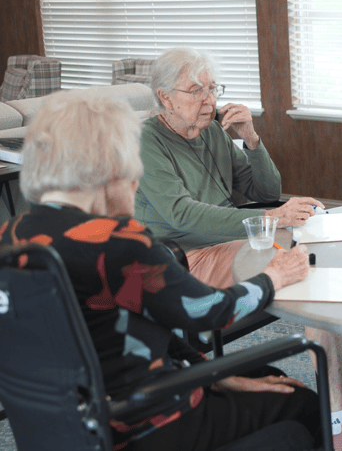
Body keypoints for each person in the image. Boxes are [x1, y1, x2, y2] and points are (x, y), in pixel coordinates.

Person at [134, 47, 342, 451]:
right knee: (305, 268)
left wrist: (251, 138)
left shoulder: (211, 131)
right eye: (196, 91)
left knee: (317, 246)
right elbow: (180, 215)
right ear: (164, 97)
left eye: (213, 89)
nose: (209, 100)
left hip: (235, 242)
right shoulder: (147, 140)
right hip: (184, 261)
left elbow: (263, 191)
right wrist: (275, 219)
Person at [2, 90, 322, 450]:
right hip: (150, 420)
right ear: (110, 169)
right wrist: (275, 276)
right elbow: (208, 311)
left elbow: (141, 326)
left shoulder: (12, 234)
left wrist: (214, 375)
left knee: (265, 378)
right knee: (304, 405)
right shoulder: (117, 242)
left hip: (69, 426)